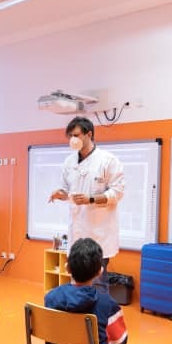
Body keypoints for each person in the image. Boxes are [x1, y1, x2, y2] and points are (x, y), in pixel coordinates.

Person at [48, 117, 125, 294]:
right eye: (70, 136)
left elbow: (117, 192)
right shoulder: (69, 162)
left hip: (99, 234)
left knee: (97, 285)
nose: (72, 139)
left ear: (89, 134)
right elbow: (67, 190)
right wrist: (60, 194)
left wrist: (90, 199)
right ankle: (80, 312)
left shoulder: (108, 160)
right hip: (77, 233)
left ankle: (100, 312)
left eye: (76, 135)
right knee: (76, 284)